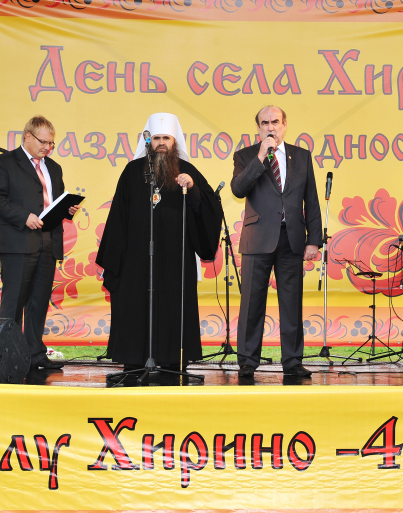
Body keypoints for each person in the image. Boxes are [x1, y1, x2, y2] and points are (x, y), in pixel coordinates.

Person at [96, 113, 222, 370]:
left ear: (175, 142)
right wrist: (115, 260)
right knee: (135, 305)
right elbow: (118, 216)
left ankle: (171, 362)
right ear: (148, 141)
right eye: (156, 138)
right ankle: (134, 361)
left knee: (172, 307)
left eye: (166, 138)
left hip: (176, 259)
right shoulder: (132, 171)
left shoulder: (188, 171)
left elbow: (209, 209)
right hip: (136, 259)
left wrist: (193, 189)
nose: (161, 143)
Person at [231, 106, 323, 378]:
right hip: (257, 238)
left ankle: (293, 361)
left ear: (284, 124)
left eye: (275, 122)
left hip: (291, 238)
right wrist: (260, 157)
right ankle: (247, 361)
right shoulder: (245, 156)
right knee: (251, 303)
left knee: (292, 304)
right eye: (264, 123)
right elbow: (238, 189)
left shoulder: (302, 156)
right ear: (258, 128)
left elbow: (312, 200)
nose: (270, 127)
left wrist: (313, 240)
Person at [0, 115, 78, 370]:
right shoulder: (4, 162)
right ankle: (7, 356)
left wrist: (67, 209)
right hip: (17, 242)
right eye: (43, 142)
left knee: (39, 301)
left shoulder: (54, 167)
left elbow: (54, 202)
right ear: (28, 136)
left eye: (51, 143)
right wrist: (24, 216)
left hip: (48, 241)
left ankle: (35, 354)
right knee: (14, 301)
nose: (48, 147)